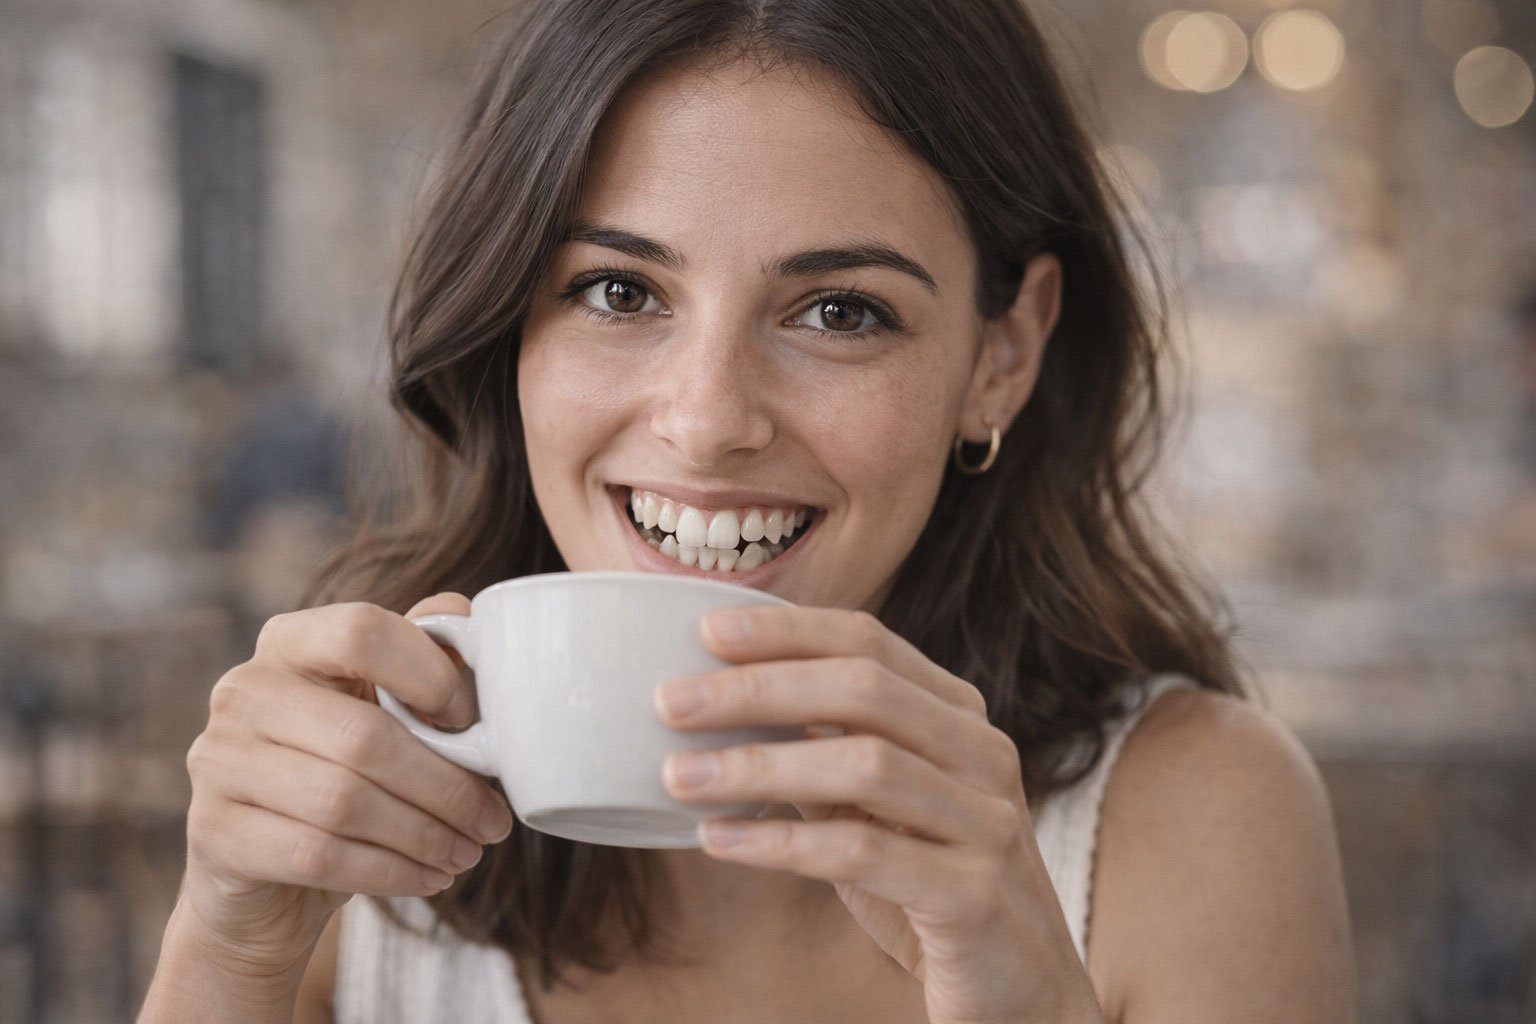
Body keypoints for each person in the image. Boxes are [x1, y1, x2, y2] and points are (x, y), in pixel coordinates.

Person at [139, 0, 1356, 1021]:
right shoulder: (361, 819)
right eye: (619, 289)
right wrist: (226, 949)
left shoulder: (1198, 819)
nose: (709, 419)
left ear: (1003, 351)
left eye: (840, 311)